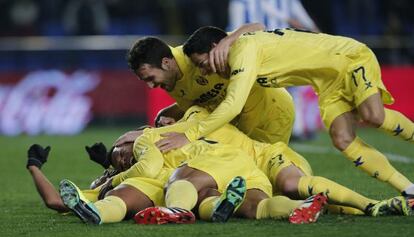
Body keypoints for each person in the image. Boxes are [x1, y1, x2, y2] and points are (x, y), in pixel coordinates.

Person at [182, 26, 414, 200]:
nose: (205, 70)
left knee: (373, 116)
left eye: (202, 63)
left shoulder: (242, 51)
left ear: (215, 48)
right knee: (342, 139)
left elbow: (233, 104)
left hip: (349, 58)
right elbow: (256, 26)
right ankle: (409, 191)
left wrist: (190, 134)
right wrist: (230, 38)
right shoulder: (237, 43)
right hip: (328, 82)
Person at [116, 105, 412, 217]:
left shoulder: (197, 117)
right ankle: (368, 210)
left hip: (267, 155)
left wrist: (146, 131)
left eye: (163, 119)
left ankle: (371, 205)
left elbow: (175, 117)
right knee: (278, 200)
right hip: (247, 171)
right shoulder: (179, 145)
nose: (162, 122)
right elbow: (153, 170)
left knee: (291, 183)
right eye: (158, 121)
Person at [58, 128, 327, 225]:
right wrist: (35, 167)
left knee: (178, 181)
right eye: (118, 161)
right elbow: (56, 201)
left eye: (121, 153)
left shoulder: (148, 141)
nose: (124, 159)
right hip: (236, 173)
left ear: (131, 138)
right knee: (253, 206)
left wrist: (111, 178)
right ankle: (301, 207)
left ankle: (175, 210)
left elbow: (147, 167)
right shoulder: (173, 140)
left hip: (210, 164)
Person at [127, 23, 295, 149]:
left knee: (268, 178)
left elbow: (258, 27)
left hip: (271, 112)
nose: (151, 86)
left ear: (166, 63)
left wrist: (227, 41)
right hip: (239, 123)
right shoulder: (170, 81)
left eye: (150, 78)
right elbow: (200, 105)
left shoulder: (197, 55)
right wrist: (173, 115)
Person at [227, 0, 320, 140]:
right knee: (252, 88)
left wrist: (312, 27)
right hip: (253, 49)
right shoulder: (242, 2)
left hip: (281, 46)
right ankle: (247, 127)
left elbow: (299, 12)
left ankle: (296, 129)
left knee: (293, 86)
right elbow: (235, 25)